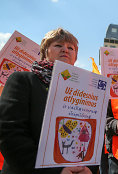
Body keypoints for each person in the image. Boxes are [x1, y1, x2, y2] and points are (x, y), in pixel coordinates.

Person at [0, 28, 94, 174]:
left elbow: (91, 135)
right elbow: (9, 132)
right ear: (45, 51)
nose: (65, 50)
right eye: (58, 45)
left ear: (75, 57)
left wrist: (89, 169)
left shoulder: (83, 92)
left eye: (71, 48)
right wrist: (55, 172)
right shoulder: (22, 80)